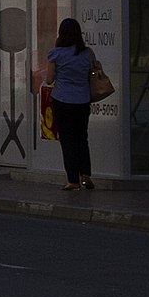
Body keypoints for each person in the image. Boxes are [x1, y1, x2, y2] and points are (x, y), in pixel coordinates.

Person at [46, 17, 96, 189]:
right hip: (82, 100)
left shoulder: (56, 54)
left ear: (61, 34)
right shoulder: (88, 53)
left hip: (63, 100)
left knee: (67, 140)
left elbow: (49, 79)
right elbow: (93, 73)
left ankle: (73, 180)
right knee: (82, 137)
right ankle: (86, 175)